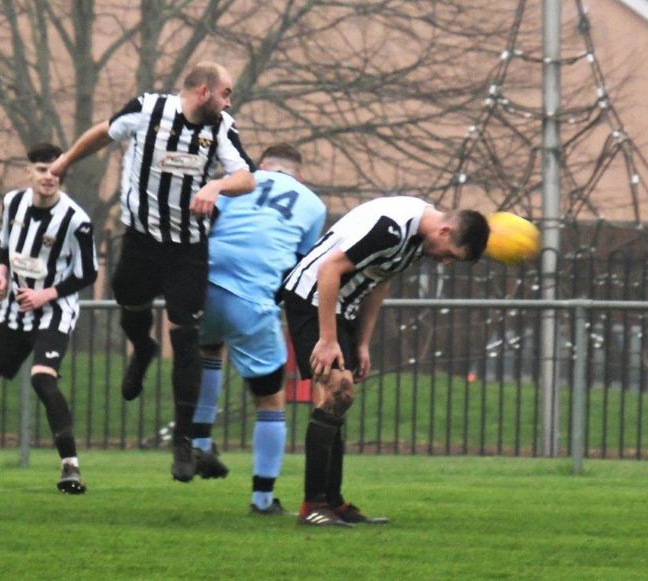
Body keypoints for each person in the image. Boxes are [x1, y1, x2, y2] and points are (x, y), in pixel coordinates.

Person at [50, 62, 255, 482]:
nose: (228, 102)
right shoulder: (147, 109)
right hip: (142, 241)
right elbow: (103, 132)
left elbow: (247, 177)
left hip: (188, 250)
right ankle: (141, 349)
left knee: (186, 341)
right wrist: (67, 160)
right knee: (131, 307)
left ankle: (182, 441)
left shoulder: (220, 128)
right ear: (202, 91)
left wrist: (215, 186)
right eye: (225, 93)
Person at [281, 197, 489, 526]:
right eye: (450, 254)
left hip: (343, 307)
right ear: (446, 231)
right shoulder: (390, 229)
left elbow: (380, 281)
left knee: (342, 399)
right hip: (312, 298)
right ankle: (314, 505)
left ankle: (334, 503)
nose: (445, 262)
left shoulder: (418, 239)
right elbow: (329, 268)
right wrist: (327, 339)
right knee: (337, 391)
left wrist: (362, 343)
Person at [190, 143, 326, 515]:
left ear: (262, 166)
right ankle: (262, 499)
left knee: (208, 350)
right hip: (252, 298)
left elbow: (205, 223)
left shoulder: (237, 182)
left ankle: (200, 442)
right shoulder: (313, 204)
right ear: (299, 176)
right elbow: (302, 265)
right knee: (269, 399)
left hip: (206, 283)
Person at [0, 142, 98, 494]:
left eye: (55, 171)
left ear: (63, 174)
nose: (48, 177)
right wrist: (0, 275)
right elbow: (6, 246)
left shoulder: (76, 220)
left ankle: (70, 468)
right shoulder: (12, 203)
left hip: (53, 310)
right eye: (41, 170)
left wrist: (45, 295)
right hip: (16, 309)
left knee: (41, 379)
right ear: (28, 172)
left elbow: (88, 273)